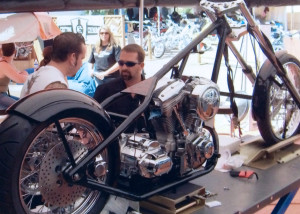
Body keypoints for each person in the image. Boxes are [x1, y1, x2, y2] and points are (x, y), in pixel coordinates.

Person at [93, 44, 145, 133]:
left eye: (129, 64)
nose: (124, 67)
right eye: (121, 63)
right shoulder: (105, 90)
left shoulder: (153, 92)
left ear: (141, 66)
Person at [20, 32, 86, 98]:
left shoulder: (34, 75)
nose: (81, 64)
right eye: (81, 58)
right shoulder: (57, 85)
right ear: (73, 57)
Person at [0, 43, 28, 109]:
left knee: (24, 102)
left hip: (3, 94)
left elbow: (18, 73)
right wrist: (28, 75)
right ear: (14, 51)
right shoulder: (3, 64)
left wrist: (24, 74)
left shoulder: (7, 63)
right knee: (22, 107)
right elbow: (20, 79)